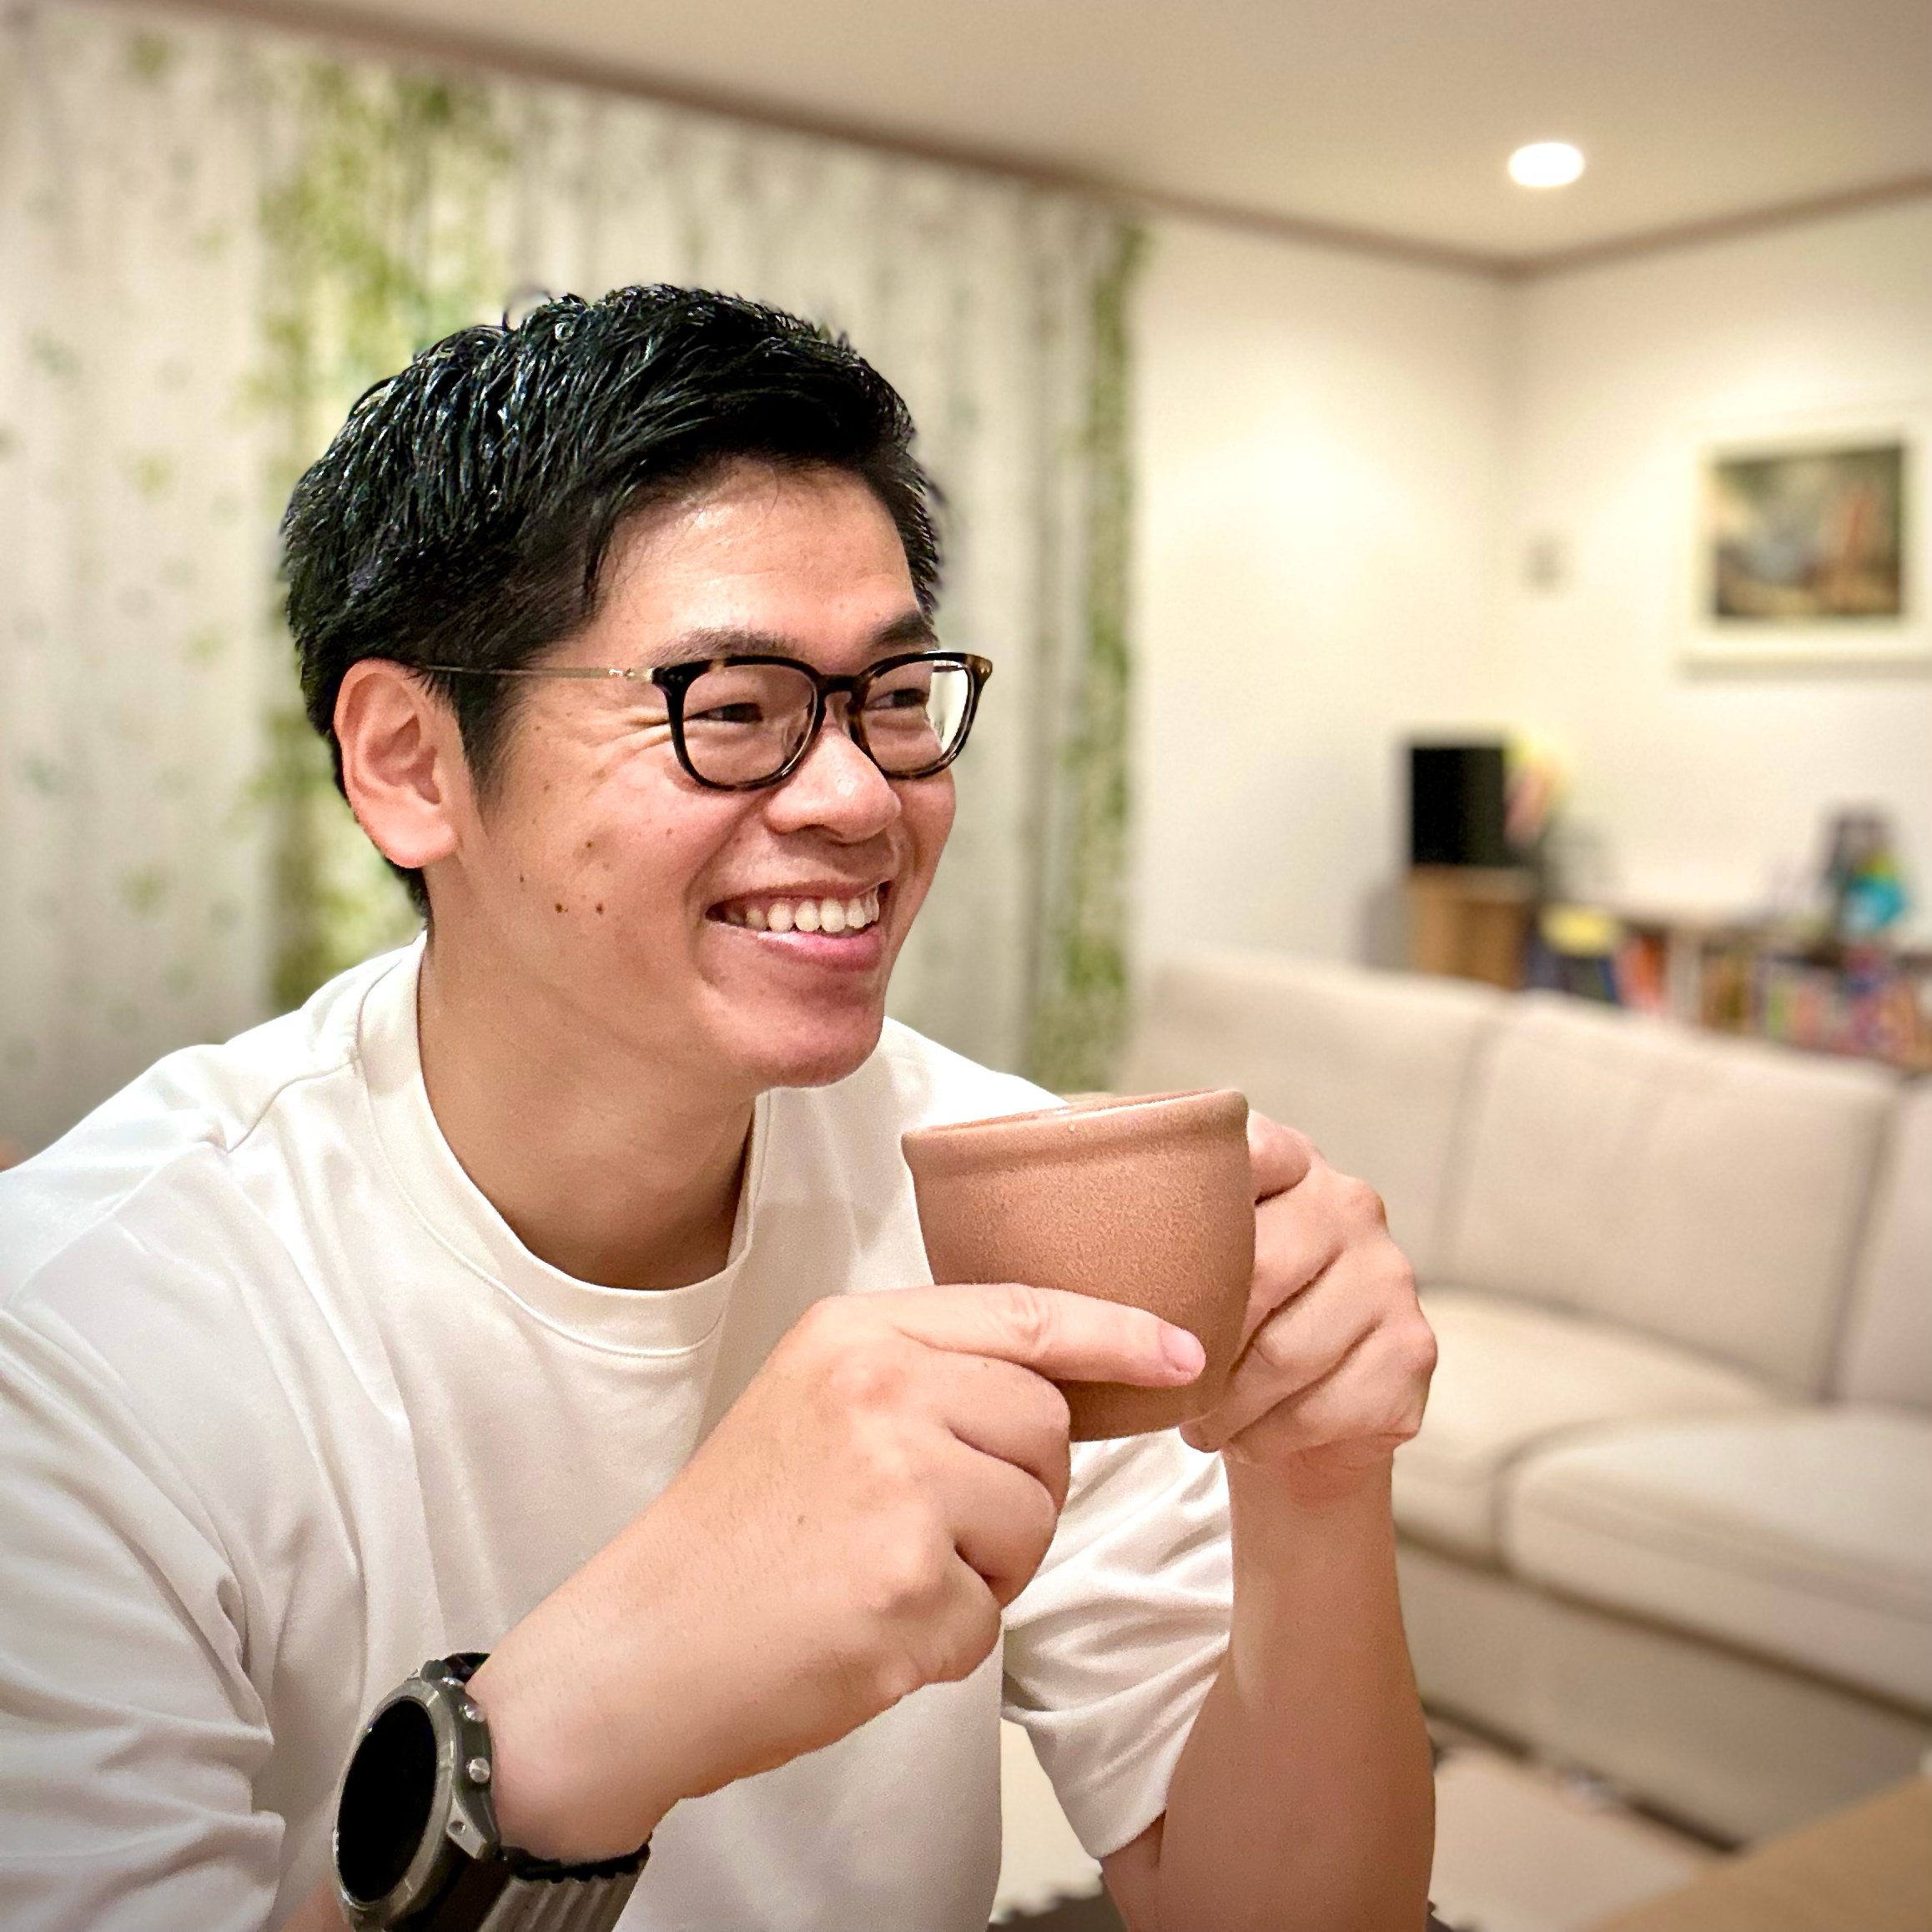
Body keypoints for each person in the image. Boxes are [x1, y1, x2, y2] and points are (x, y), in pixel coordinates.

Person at [0, 285, 1436, 1932]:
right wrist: (574, 1729)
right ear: (409, 762)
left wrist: (1316, 1487)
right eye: (732, 708)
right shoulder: (82, 1330)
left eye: (894, 699)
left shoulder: (997, 1206)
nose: (860, 799)